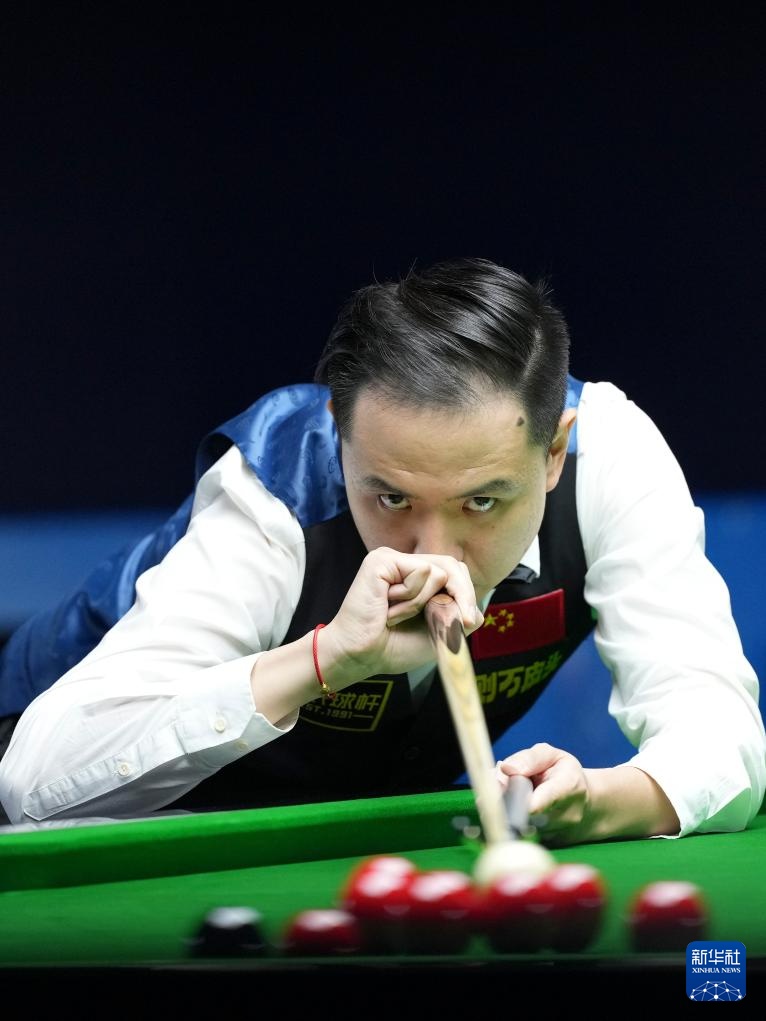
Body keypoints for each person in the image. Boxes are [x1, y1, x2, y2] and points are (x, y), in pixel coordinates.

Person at [0, 258, 763, 843]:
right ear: (339, 433)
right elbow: (34, 782)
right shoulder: (273, 497)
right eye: (392, 498)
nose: (436, 555)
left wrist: (598, 801)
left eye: (482, 502)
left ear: (555, 452)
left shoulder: (611, 459)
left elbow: (720, 732)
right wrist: (327, 657)